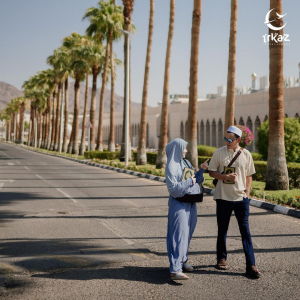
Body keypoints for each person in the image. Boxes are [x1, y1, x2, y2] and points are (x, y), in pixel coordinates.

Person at [208, 126, 261, 279]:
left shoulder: (246, 154)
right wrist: (226, 178)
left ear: (238, 140)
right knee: (222, 230)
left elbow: (249, 175)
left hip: (241, 200)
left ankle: (251, 265)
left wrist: (247, 193)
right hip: (223, 198)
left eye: (230, 139)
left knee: (245, 232)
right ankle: (221, 258)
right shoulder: (219, 153)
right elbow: (211, 172)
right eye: (226, 138)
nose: (227, 141)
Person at [165, 138, 209, 280]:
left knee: (188, 233)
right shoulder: (171, 167)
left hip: (191, 202)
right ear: (177, 149)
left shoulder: (186, 162)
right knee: (178, 234)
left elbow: (195, 179)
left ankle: (183, 261)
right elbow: (173, 189)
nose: (186, 150)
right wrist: (190, 181)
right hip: (178, 203)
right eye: (184, 148)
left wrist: (201, 171)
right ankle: (175, 269)